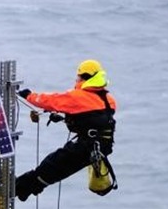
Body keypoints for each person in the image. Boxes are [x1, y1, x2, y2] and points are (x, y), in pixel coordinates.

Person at [14, 59, 117, 201]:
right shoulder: (108, 99)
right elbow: (92, 118)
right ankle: (26, 188)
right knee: (56, 168)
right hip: (102, 147)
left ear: (84, 78)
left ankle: (18, 188)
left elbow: (51, 100)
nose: (76, 80)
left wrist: (28, 95)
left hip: (86, 147)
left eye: (78, 77)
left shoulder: (79, 97)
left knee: (51, 165)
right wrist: (66, 117)